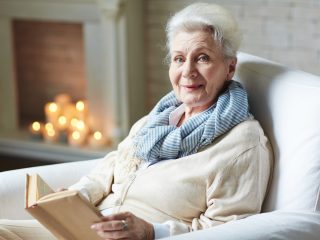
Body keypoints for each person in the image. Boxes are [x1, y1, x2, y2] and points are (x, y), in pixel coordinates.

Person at [0, 3, 273, 240]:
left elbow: (228, 231)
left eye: (202, 58)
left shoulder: (243, 143)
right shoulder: (158, 119)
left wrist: (151, 232)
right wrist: (74, 196)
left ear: (230, 68)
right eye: (179, 59)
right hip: (85, 224)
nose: (187, 71)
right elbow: (112, 165)